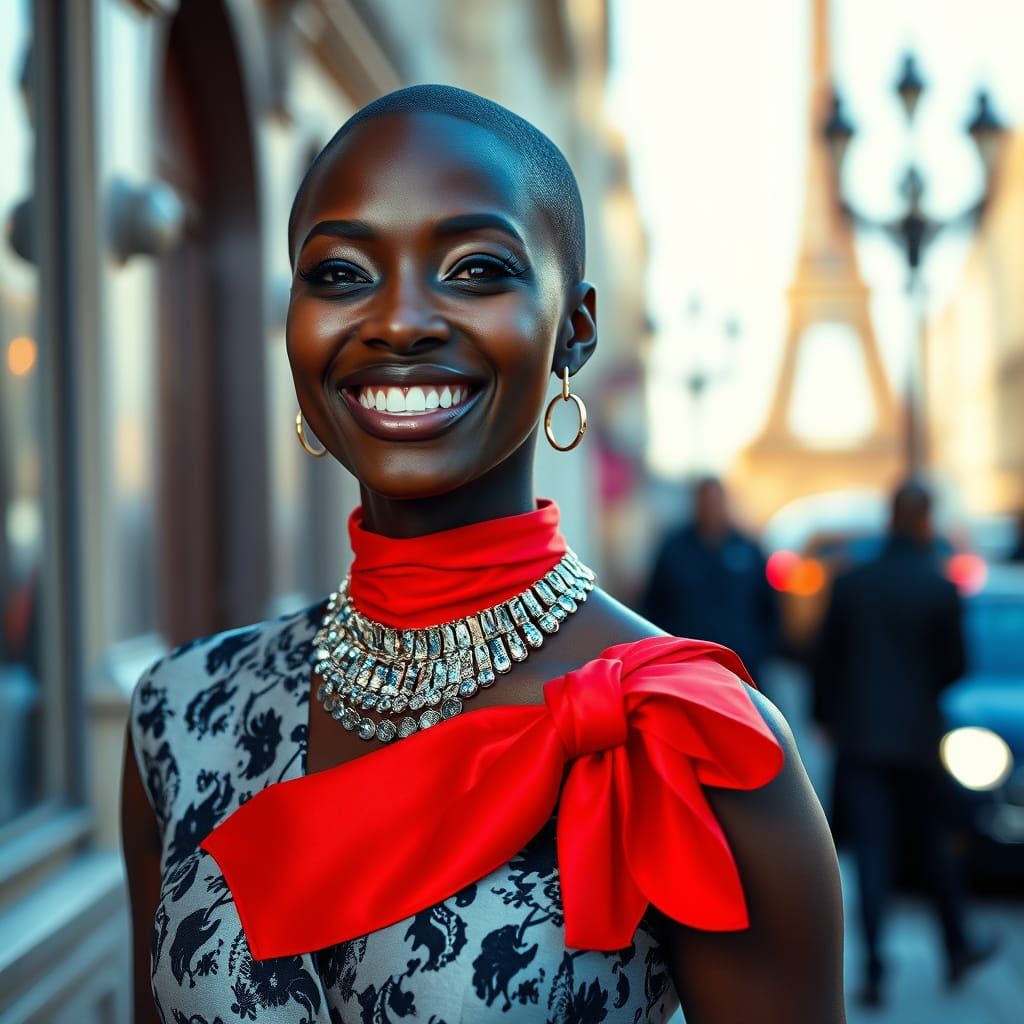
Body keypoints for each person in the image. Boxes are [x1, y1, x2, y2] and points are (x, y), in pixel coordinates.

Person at [121, 85, 844, 1023]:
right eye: (340, 273)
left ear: (574, 330)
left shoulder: (694, 741)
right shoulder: (180, 714)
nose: (401, 321)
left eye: (474, 269)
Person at [815, 480, 998, 1007]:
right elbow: (956, 666)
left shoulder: (853, 583)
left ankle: (873, 970)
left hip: (862, 737)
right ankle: (957, 944)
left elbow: (826, 660)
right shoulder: (939, 587)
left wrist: (829, 716)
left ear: (889, 517)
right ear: (924, 520)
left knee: (872, 852)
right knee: (936, 844)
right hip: (919, 738)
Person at [642, 477, 778, 683]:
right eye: (705, 502)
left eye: (716, 502)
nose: (711, 509)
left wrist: (758, 649)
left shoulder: (748, 548)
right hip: (687, 668)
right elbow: (653, 604)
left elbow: (769, 608)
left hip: (741, 669)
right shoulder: (674, 549)